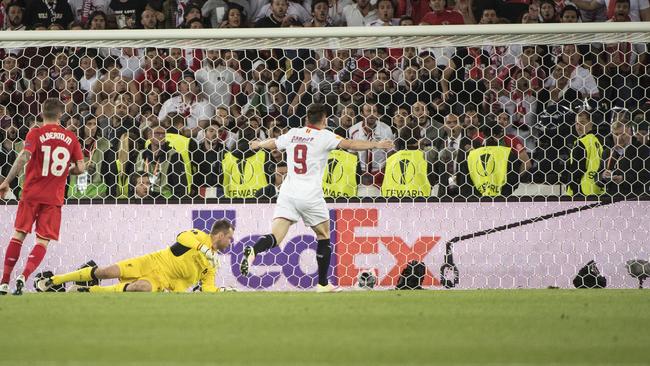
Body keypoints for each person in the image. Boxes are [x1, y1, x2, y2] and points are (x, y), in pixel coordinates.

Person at [239, 103, 393, 292]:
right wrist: (377, 144)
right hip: (309, 195)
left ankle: (253, 251)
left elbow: (274, 142)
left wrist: (258, 144)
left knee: (276, 237)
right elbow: (350, 144)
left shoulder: (293, 133)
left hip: (287, 193)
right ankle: (322, 284)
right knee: (323, 236)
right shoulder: (325, 136)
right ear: (324, 120)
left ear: (306, 119)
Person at [0, 99, 85, 296]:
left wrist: (7, 182)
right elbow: (80, 167)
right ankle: (24, 276)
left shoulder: (36, 133)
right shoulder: (71, 137)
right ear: (61, 115)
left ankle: (4, 282)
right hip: (53, 198)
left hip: (30, 194)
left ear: (41, 113)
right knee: (42, 241)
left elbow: (23, 157)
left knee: (19, 235)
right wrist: (66, 170)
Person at [35, 220, 235, 293]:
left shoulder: (213, 263)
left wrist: (222, 291)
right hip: (152, 261)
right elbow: (182, 238)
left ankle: (87, 291)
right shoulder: (199, 236)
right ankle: (53, 281)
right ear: (220, 235)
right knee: (107, 271)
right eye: (230, 238)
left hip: (163, 282)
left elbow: (208, 288)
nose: (231, 242)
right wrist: (205, 250)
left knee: (141, 288)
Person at [565, 111, 605, 196]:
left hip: (582, 190)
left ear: (590, 123)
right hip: (598, 188)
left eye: (582, 123)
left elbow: (577, 170)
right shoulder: (599, 140)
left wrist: (570, 185)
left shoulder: (582, 142)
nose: (578, 127)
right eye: (576, 124)